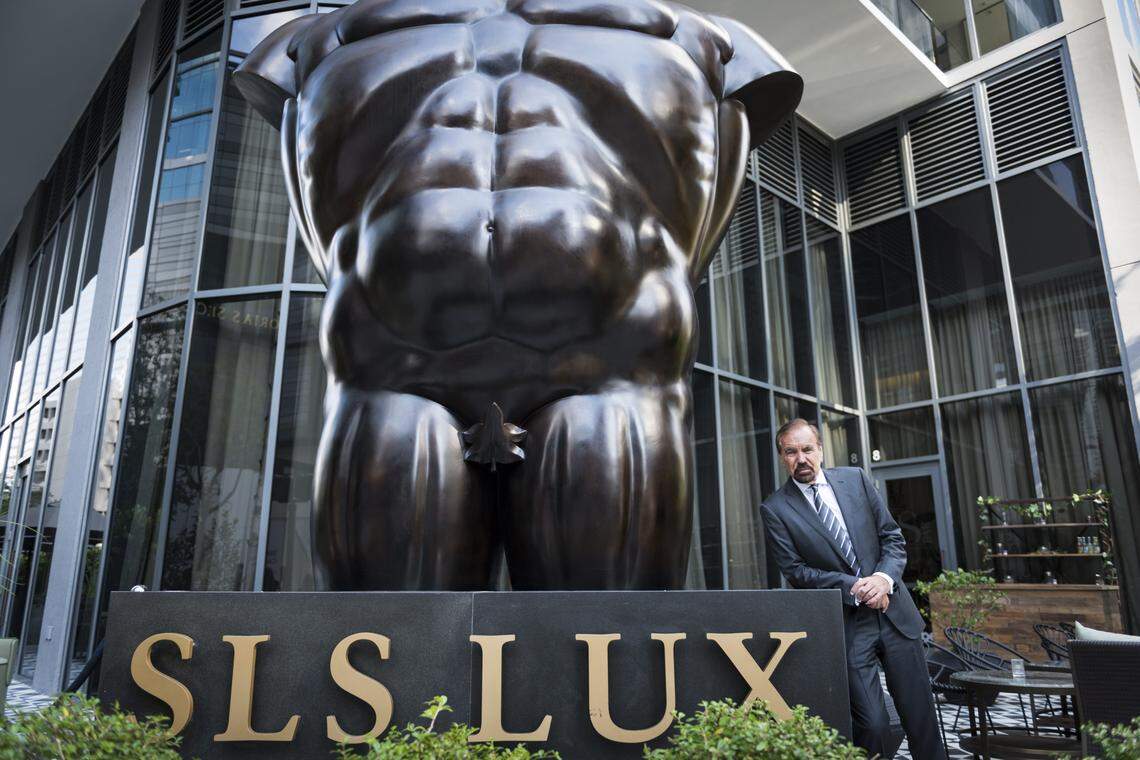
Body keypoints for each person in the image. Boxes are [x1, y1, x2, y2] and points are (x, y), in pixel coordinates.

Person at [760, 419, 945, 759]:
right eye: (791, 452)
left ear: (820, 450)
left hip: (894, 614)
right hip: (847, 624)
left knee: (922, 719)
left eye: (807, 449)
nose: (800, 458)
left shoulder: (856, 480)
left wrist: (883, 580)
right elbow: (796, 571)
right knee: (873, 724)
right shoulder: (775, 509)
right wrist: (857, 587)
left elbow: (891, 537)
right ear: (782, 457)